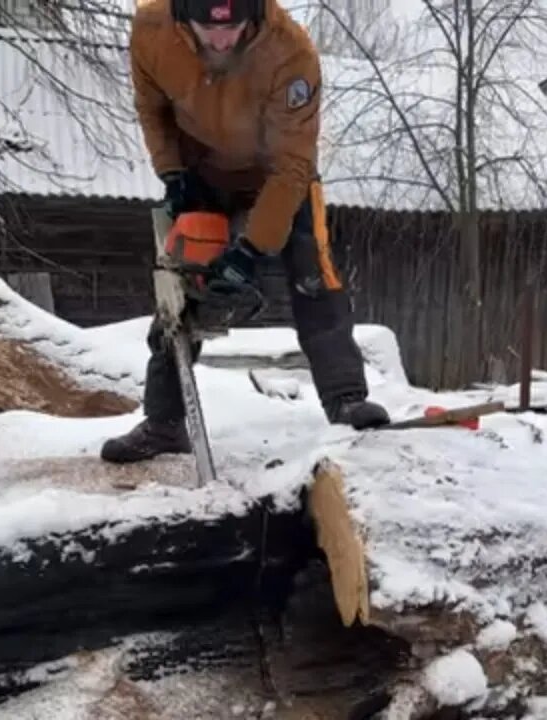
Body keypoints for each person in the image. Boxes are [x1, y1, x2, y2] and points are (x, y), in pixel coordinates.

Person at [101, 0, 391, 463]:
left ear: (252, 14)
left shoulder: (291, 52)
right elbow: (151, 108)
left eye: (232, 28)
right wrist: (173, 173)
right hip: (202, 172)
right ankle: (164, 422)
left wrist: (251, 250)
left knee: (313, 275)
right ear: (182, 17)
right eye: (207, 29)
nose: (220, 40)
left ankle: (346, 398)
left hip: (280, 177)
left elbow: (293, 163)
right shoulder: (151, 29)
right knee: (181, 285)